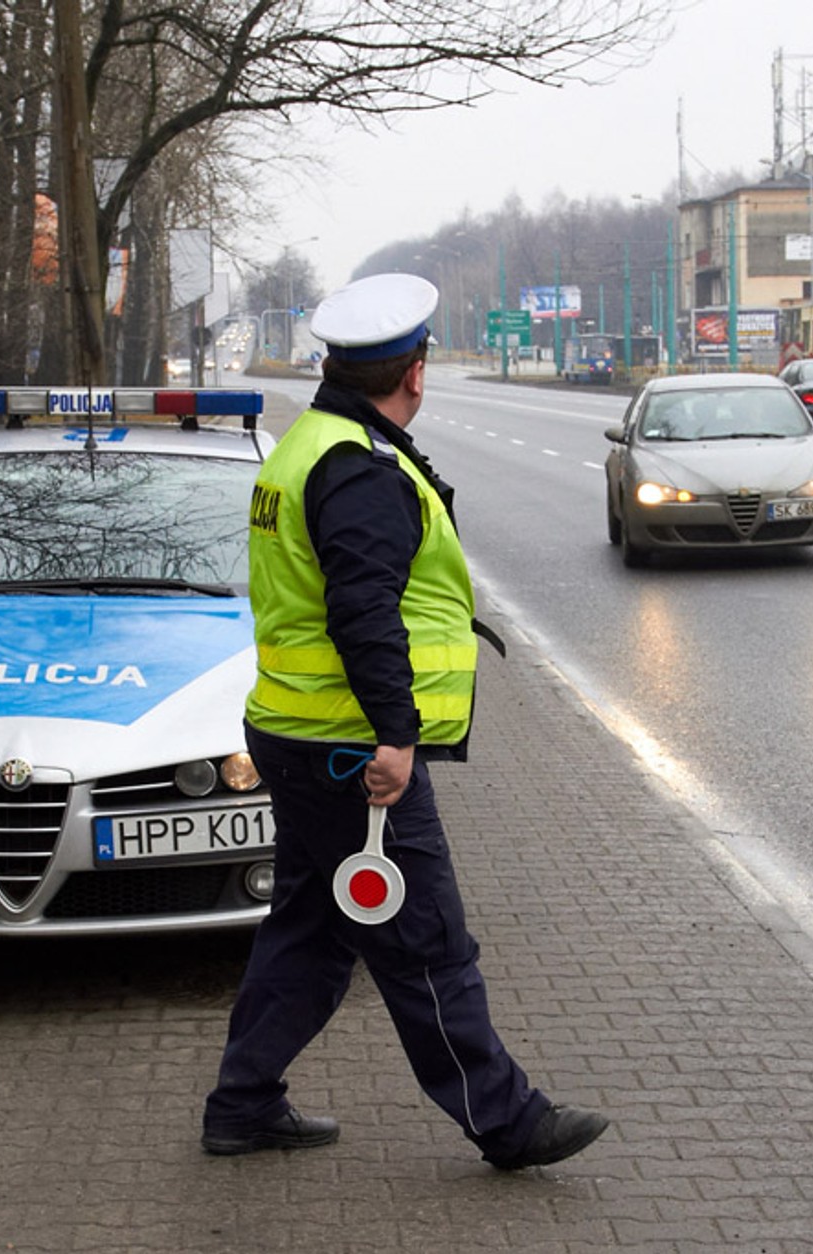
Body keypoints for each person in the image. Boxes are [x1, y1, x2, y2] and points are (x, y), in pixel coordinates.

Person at [201, 273, 608, 1169]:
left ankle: (242, 1102)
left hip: (298, 728)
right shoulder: (357, 468)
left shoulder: (309, 444)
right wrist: (395, 735)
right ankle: (506, 1121)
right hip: (350, 747)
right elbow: (363, 613)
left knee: (310, 929)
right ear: (415, 372)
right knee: (423, 937)